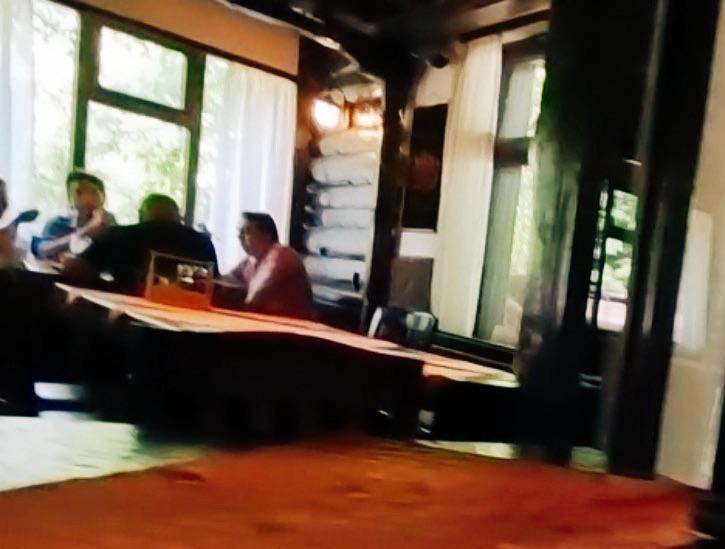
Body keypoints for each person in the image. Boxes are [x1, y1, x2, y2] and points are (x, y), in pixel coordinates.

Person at [63, 193, 217, 295]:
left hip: (126, 317)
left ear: (141, 214)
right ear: (179, 216)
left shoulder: (119, 236)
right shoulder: (201, 242)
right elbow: (213, 284)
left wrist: (108, 288)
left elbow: (76, 268)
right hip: (189, 316)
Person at [225, 212, 313, 319]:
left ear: (267, 235)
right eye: (239, 231)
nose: (239, 236)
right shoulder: (250, 261)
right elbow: (225, 283)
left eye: (247, 231)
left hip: (293, 326)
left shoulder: (282, 254)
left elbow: (256, 297)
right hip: (266, 324)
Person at [32, 169, 116, 261]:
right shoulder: (57, 224)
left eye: (93, 192)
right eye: (78, 192)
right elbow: (42, 249)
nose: (85, 198)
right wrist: (84, 232)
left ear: (102, 198)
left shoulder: (110, 226)